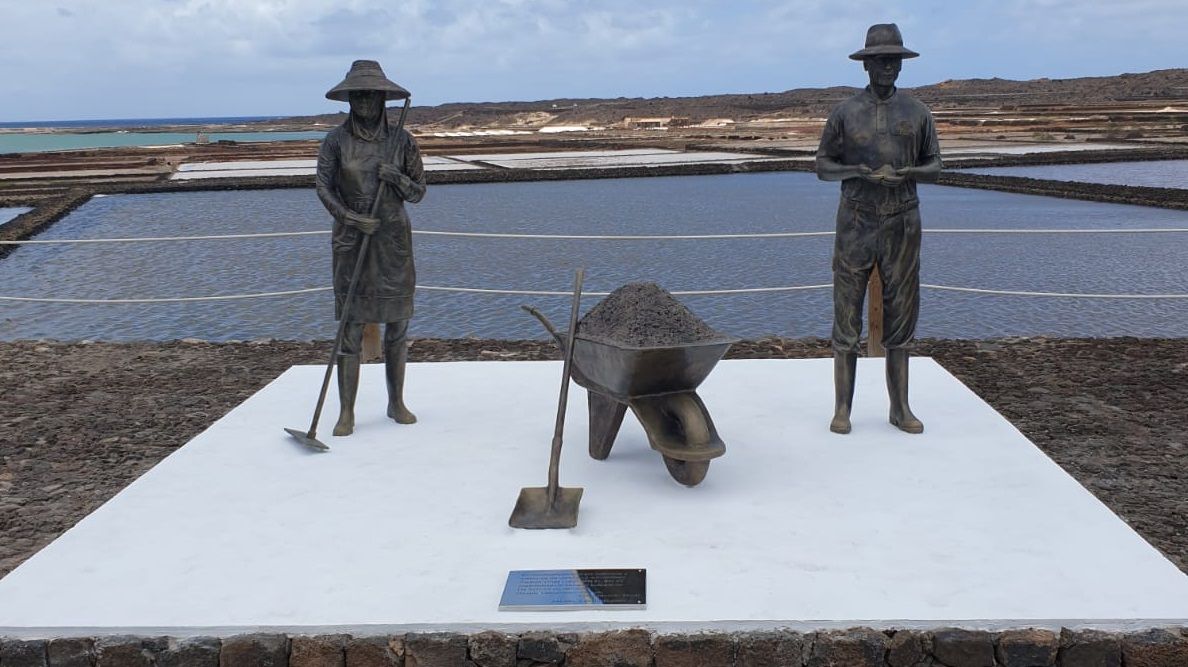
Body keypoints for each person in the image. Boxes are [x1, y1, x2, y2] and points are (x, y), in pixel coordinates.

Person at [815, 24, 942, 435]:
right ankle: (842, 409)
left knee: (902, 312)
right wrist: (858, 172)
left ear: (900, 66)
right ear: (866, 65)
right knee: (846, 310)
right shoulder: (845, 113)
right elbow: (822, 166)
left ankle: (900, 407)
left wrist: (908, 172)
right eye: (880, 60)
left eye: (894, 60)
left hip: (903, 220)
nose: (887, 67)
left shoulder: (918, 112)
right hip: (856, 220)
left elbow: (935, 165)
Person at [315, 60, 425, 436]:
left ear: (382, 99)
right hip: (352, 242)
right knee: (351, 326)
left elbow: (419, 192)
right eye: (357, 95)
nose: (364, 102)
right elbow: (323, 187)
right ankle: (346, 412)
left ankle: (396, 403)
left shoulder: (402, 142)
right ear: (348, 99)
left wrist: (396, 178)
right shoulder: (335, 141)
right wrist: (348, 217)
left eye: (371, 96)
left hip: (392, 242)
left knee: (397, 325)